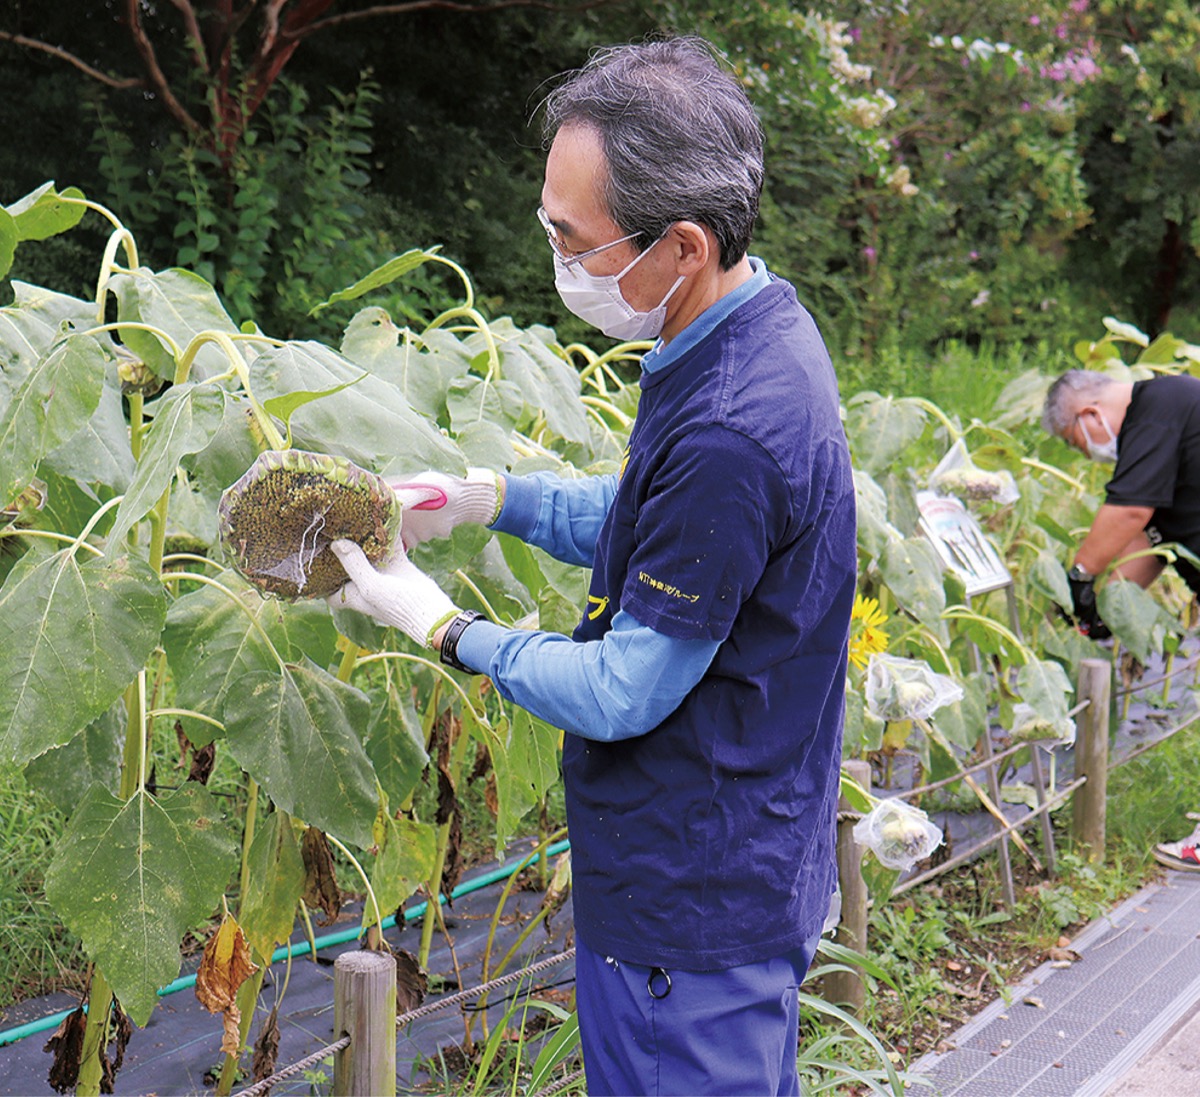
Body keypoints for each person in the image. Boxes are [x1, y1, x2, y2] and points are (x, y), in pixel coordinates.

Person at [329, 36, 857, 1095]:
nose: (563, 263)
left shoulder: (731, 428)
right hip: (726, 863)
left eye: (578, 241)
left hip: (691, 904)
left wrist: (443, 624)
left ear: (685, 246)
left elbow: (622, 689)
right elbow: (662, 522)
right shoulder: (753, 329)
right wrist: (495, 499)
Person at [1042, 369, 1200, 874]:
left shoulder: (1159, 406)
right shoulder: (1163, 421)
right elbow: (1151, 544)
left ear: (1089, 415)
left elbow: (1130, 511)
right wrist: (1106, 608)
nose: (1090, 454)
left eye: (1078, 443)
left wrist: (1080, 577)